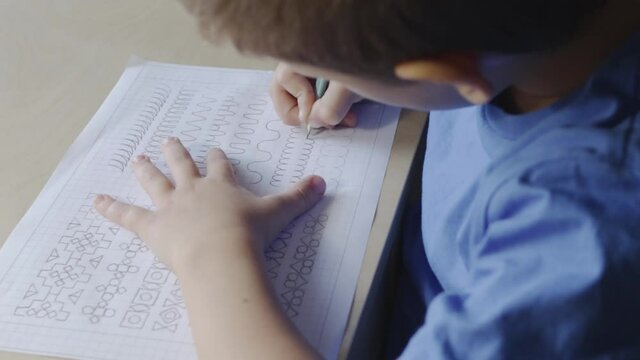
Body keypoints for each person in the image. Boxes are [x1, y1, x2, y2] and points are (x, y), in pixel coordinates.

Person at [93, 0, 640, 358]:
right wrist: (361, 56)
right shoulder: (551, 38)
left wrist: (209, 254)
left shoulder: (576, 233)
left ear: (448, 72)